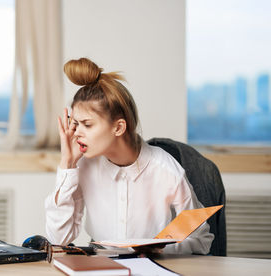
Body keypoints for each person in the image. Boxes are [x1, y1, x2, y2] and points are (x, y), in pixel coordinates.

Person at [45, 57, 214, 254]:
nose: (77, 132)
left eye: (87, 124)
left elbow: (201, 239)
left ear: (118, 127)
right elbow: (58, 239)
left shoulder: (165, 169)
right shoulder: (83, 166)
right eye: (75, 123)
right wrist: (67, 164)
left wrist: (161, 250)